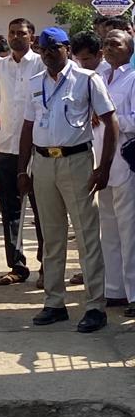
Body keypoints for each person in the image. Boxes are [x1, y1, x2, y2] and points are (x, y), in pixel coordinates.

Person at [18, 27, 117, 333]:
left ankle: (94, 307)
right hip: (44, 163)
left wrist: (104, 167)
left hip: (77, 161)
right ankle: (54, 303)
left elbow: (110, 121)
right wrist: (23, 169)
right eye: (43, 49)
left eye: (54, 48)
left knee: (87, 236)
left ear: (67, 49)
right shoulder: (36, 83)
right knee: (51, 235)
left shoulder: (88, 80)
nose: (48, 54)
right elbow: (27, 127)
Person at [0, 18, 43, 288]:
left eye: (22, 33)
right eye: (12, 33)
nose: (16, 37)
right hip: (5, 146)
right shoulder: (0, 67)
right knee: (10, 210)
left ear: (31, 37)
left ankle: (47, 265)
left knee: (42, 208)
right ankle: (17, 266)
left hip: (37, 148)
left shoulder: (41, 63)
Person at [97, 30, 135, 312]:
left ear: (129, 49)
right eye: (106, 43)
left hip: (125, 162)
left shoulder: (132, 79)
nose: (109, 47)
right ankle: (115, 289)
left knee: (129, 230)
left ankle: (134, 294)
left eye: (116, 43)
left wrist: (111, 120)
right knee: (108, 228)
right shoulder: (100, 77)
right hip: (102, 162)